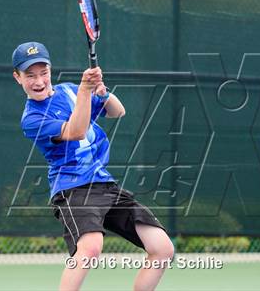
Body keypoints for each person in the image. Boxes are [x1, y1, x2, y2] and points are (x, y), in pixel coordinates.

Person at [12, 42, 174, 291]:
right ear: (18, 78)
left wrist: (101, 91)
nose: (38, 81)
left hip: (105, 184)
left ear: (50, 71)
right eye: (30, 75)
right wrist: (86, 92)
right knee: (90, 247)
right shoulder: (32, 118)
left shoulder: (69, 90)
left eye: (43, 72)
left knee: (162, 248)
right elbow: (76, 131)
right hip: (73, 188)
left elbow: (117, 111)